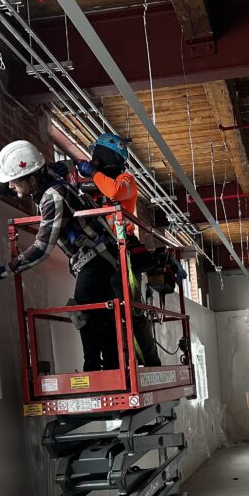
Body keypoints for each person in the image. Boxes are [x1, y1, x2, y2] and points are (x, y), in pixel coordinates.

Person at [0, 139, 121, 372]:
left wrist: (5, 270)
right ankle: (112, 368)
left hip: (97, 259)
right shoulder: (47, 177)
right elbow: (20, 184)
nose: (11, 186)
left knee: (82, 310)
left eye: (14, 181)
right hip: (100, 257)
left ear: (32, 179)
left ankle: (94, 371)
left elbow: (41, 249)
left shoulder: (52, 197)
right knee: (100, 315)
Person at [77, 133, 161, 367]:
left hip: (124, 253)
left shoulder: (126, 180)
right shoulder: (96, 187)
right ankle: (110, 363)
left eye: (97, 158)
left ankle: (151, 360)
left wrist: (93, 173)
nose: (93, 162)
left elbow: (115, 192)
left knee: (131, 310)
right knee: (105, 312)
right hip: (104, 253)